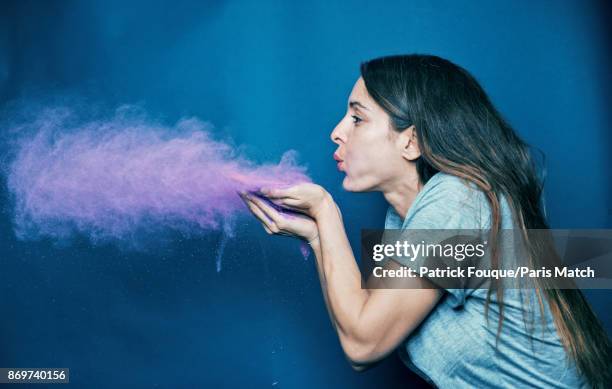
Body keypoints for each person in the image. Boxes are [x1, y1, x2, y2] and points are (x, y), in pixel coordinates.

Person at [239, 54, 611, 388]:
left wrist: (326, 212)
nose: (337, 132)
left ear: (411, 143)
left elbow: (364, 344)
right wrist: (319, 237)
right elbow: (363, 324)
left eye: (357, 118)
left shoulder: (458, 200)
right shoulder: (404, 220)